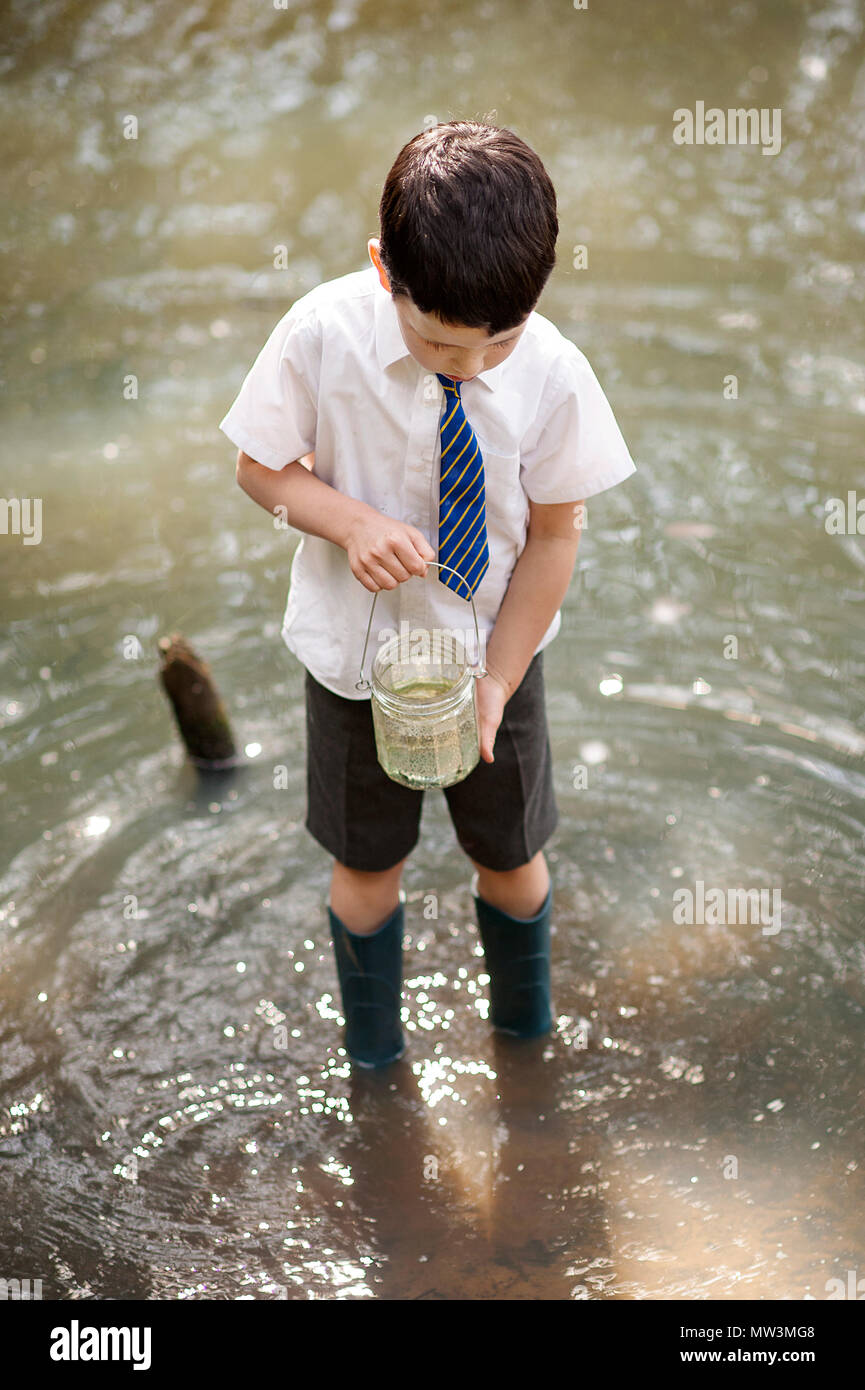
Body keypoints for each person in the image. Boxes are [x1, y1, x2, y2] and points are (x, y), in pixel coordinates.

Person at [219, 120, 635, 1068]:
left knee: (513, 862)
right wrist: (349, 522)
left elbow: (557, 535)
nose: (471, 366)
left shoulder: (551, 371)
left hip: (496, 654)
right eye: (440, 343)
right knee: (366, 869)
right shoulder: (324, 334)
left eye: (498, 343)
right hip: (355, 663)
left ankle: (525, 1048)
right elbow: (260, 466)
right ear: (382, 270)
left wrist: (497, 678)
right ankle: (375, 1069)